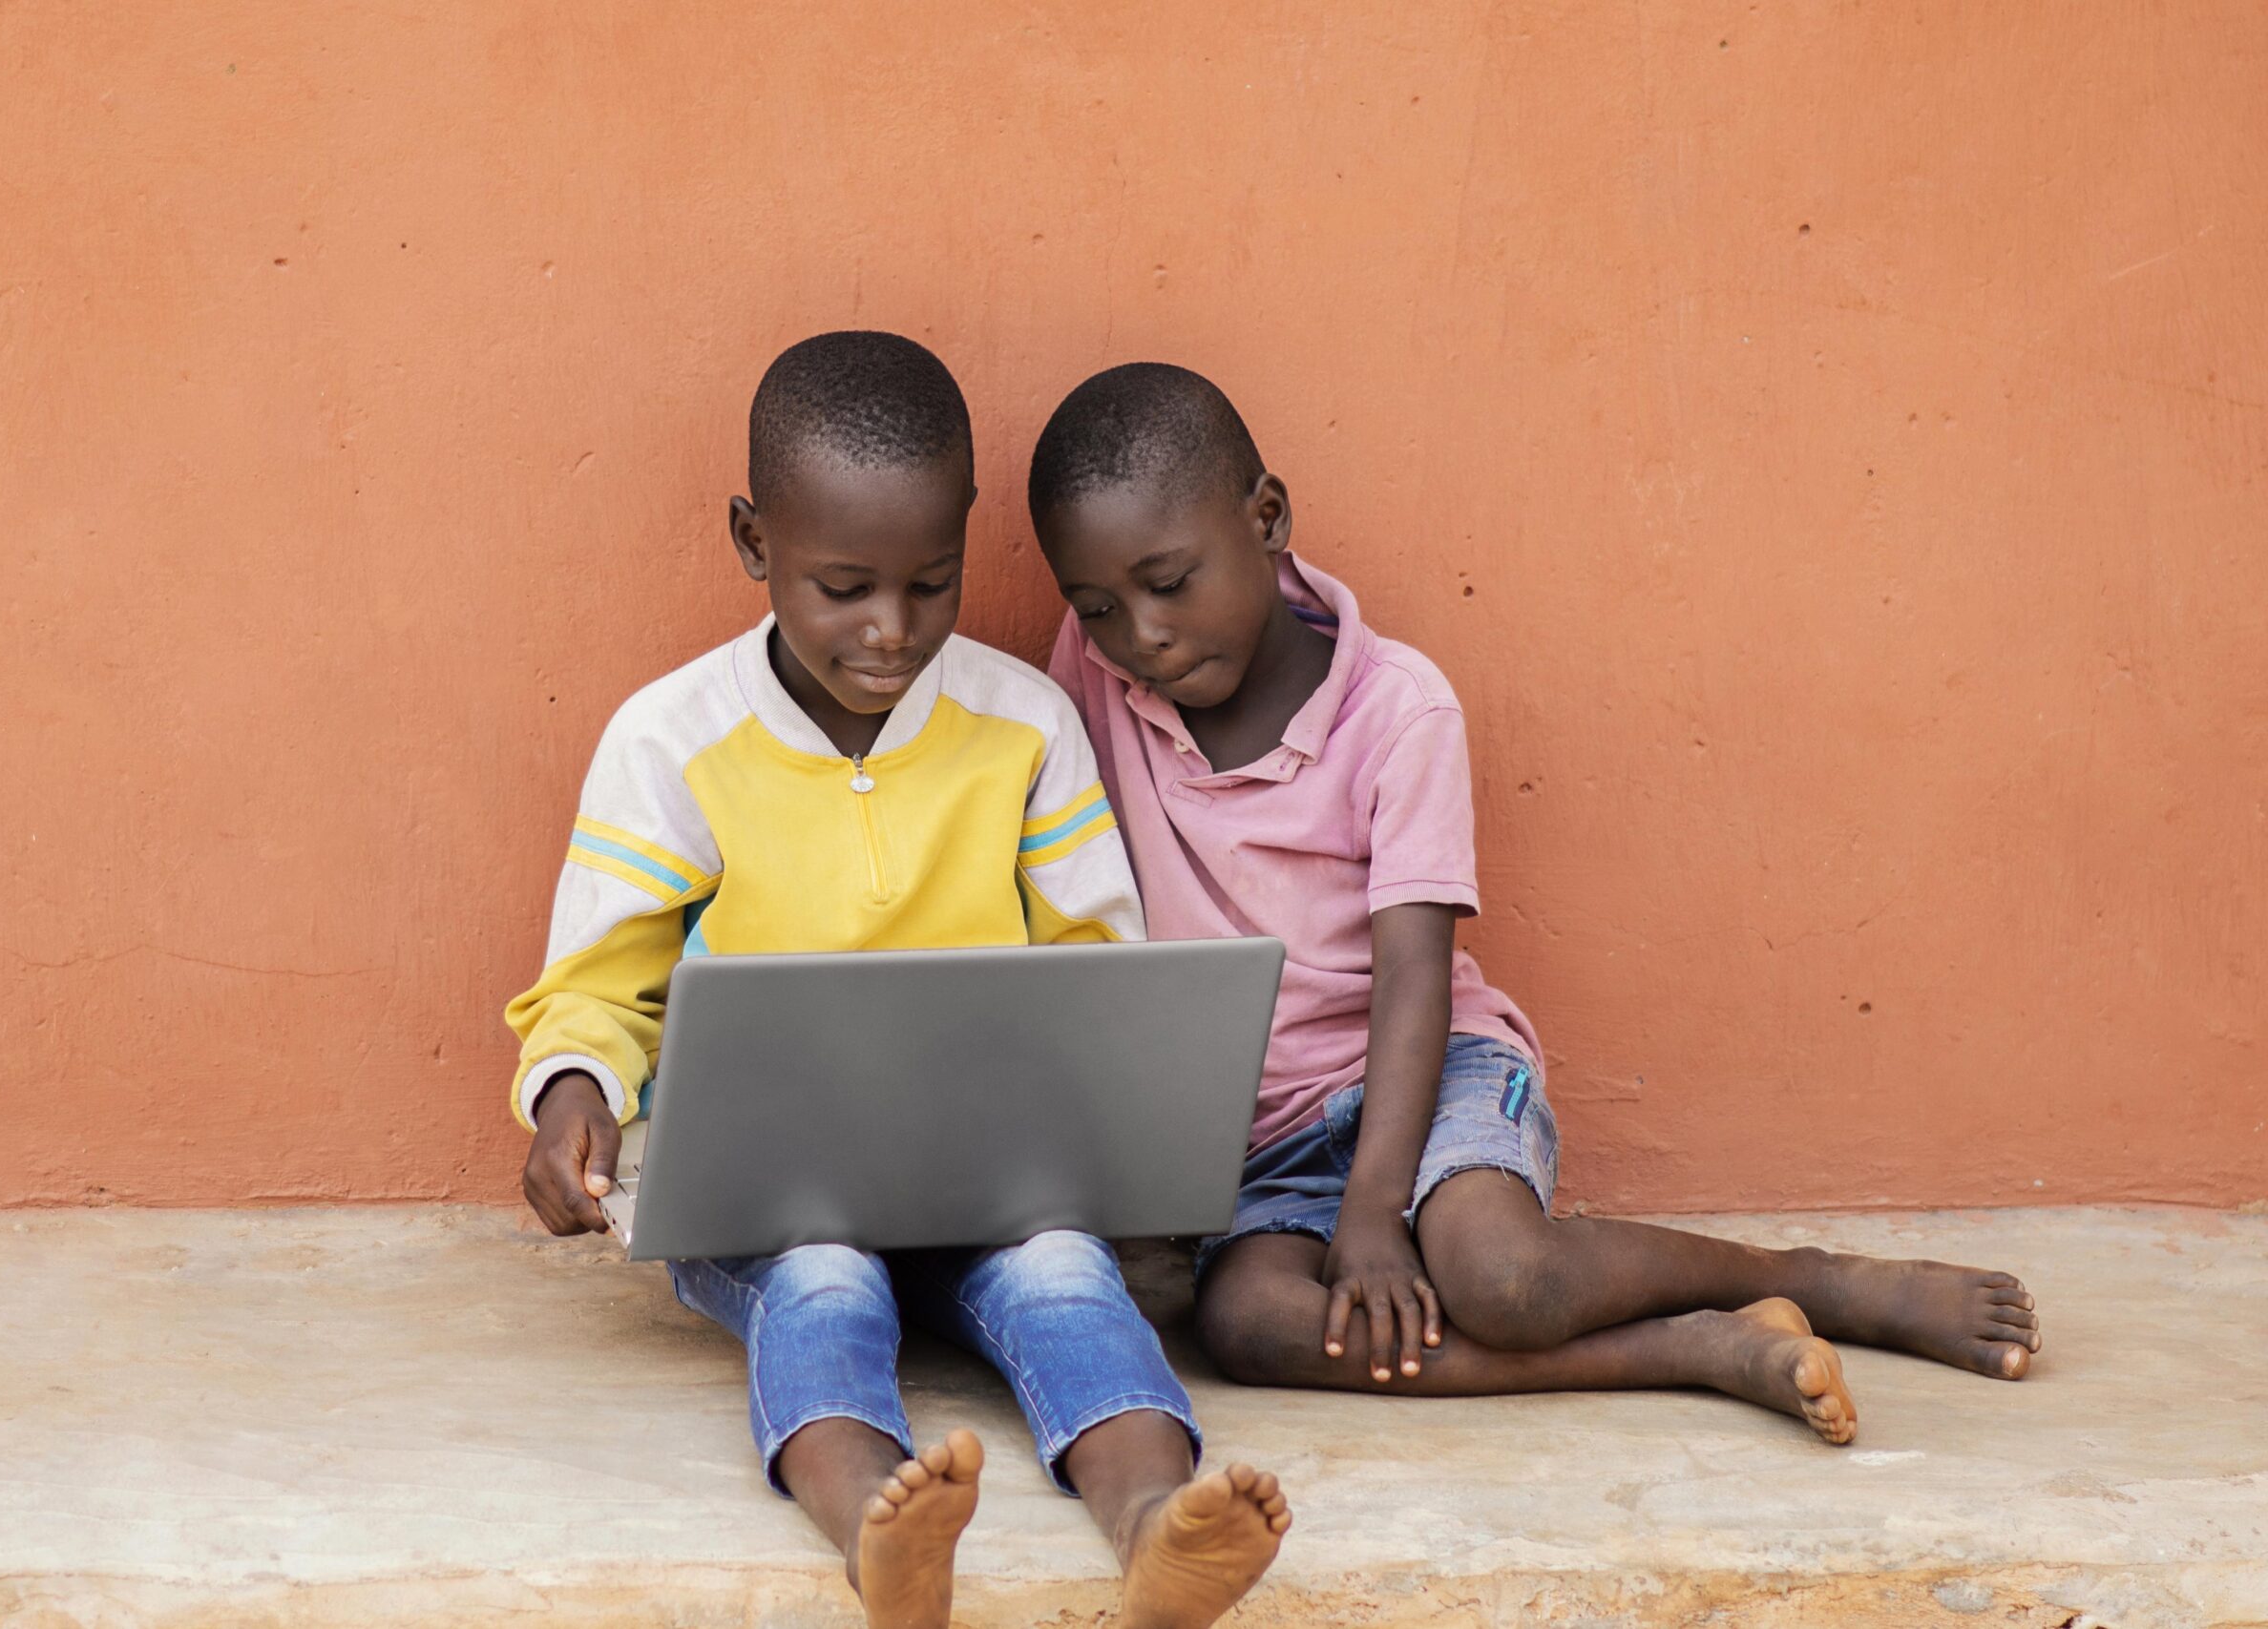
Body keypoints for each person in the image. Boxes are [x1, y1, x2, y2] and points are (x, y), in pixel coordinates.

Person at [1031, 362, 2043, 1443]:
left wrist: (1375, 1211)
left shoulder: (1396, 708)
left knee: (1501, 1278)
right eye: (1099, 609)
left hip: (1423, 1073)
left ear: (1267, 518)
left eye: (1170, 583)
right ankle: (1696, 1350)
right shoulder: (1091, 682)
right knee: (1246, 1324)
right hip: (1259, 1143)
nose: (1144, 636)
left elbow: (1414, 979)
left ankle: (1814, 1280)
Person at [506, 334, 1290, 1629]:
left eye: (930, 585)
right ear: (755, 542)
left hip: (994, 1178)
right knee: (818, 1279)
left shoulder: (1026, 725)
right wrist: (573, 1088)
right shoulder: (672, 740)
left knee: (1059, 1273)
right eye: (842, 587)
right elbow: (599, 979)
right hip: (767, 1189)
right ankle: (884, 1534)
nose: (890, 630)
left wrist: (1116, 1140)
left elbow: (1099, 972)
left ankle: (1158, 1524)